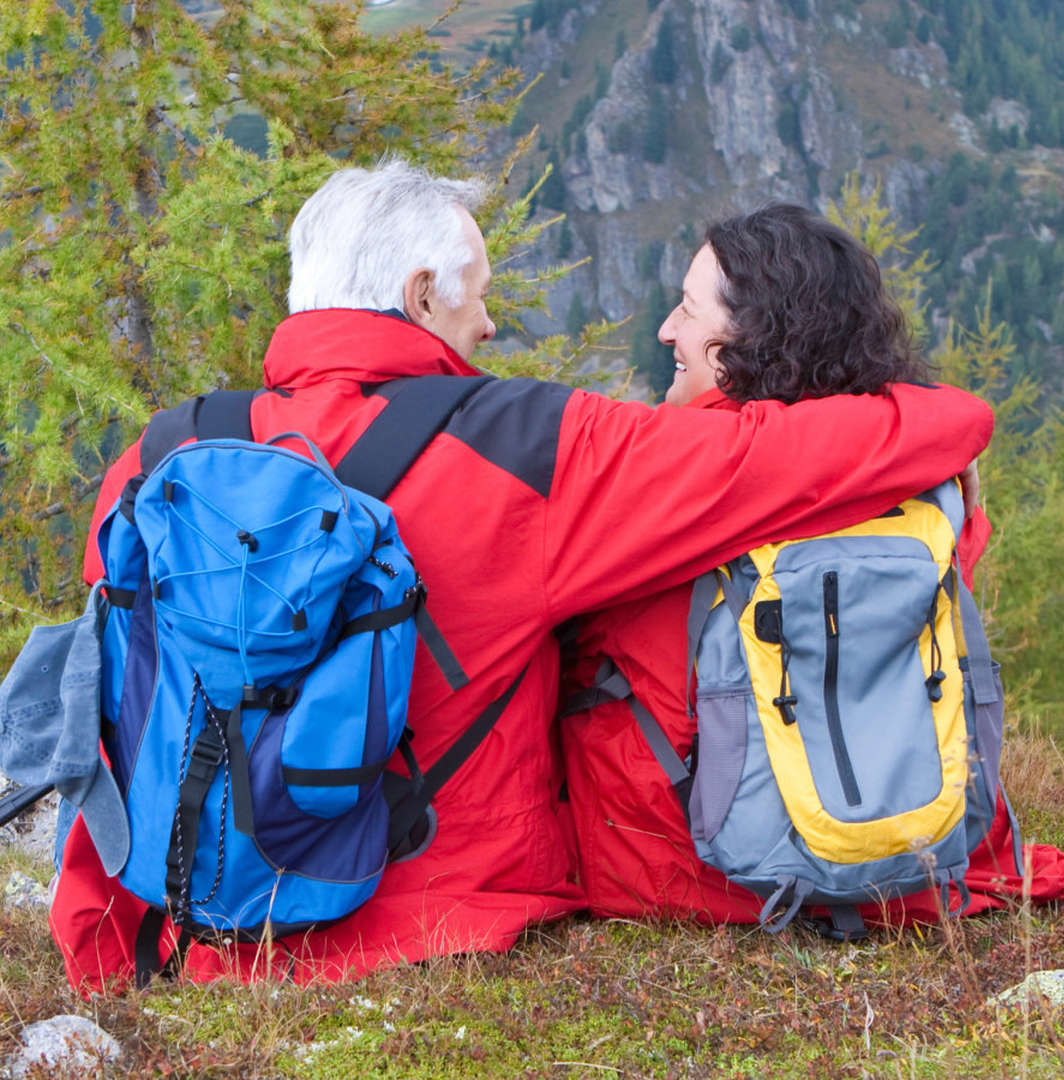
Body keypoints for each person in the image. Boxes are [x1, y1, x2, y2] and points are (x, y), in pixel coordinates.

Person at [50, 161, 998, 991]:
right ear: (421, 295)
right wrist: (946, 418)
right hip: (430, 918)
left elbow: (108, 696)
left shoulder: (153, 460)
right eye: (477, 296)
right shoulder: (526, 447)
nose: (491, 323)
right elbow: (779, 458)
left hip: (172, 926)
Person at [560, 204, 1064, 927]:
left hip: (690, 870)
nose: (666, 330)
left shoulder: (675, 474)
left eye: (685, 309)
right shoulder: (906, 458)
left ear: (743, 340)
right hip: (923, 854)